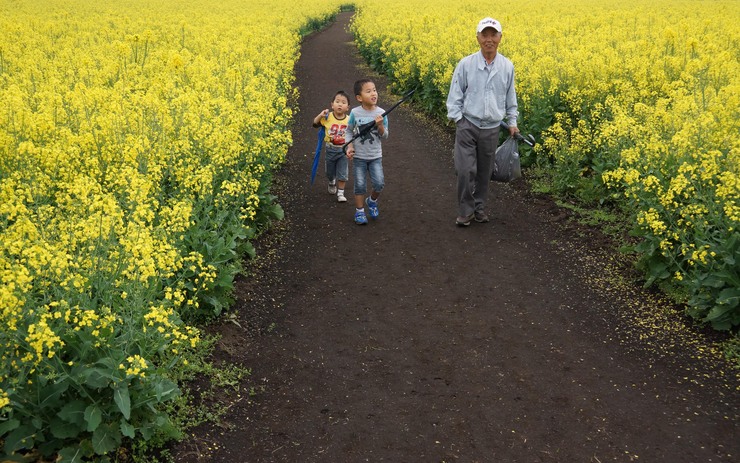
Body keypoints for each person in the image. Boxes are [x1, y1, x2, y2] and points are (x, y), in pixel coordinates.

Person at [446, 17, 520, 227]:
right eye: (484, 35)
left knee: (485, 172)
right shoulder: (466, 64)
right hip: (468, 124)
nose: (489, 39)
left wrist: (512, 122)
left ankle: (479, 208)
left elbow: (510, 98)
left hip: (492, 128)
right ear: (477, 37)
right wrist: (458, 119)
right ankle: (465, 210)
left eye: (493, 35)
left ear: (500, 38)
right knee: (465, 170)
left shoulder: (507, 66)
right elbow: (455, 95)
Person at [346, 78, 388, 225]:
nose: (373, 94)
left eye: (375, 90)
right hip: (359, 157)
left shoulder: (382, 113)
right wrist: (350, 147)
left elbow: (385, 135)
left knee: (379, 184)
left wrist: (380, 125)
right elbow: (349, 131)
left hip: (375, 156)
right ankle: (359, 211)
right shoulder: (355, 113)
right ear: (359, 97)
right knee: (360, 184)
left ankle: (371, 201)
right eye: (368, 91)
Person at [313, 90, 351, 202]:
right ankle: (331, 181)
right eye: (337, 101)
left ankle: (341, 193)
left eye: (343, 102)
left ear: (348, 107)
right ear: (332, 105)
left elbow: (354, 133)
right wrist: (321, 115)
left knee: (343, 173)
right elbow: (315, 123)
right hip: (330, 149)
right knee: (329, 172)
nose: (340, 104)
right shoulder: (328, 117)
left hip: (343, 150)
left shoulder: (349, 120)